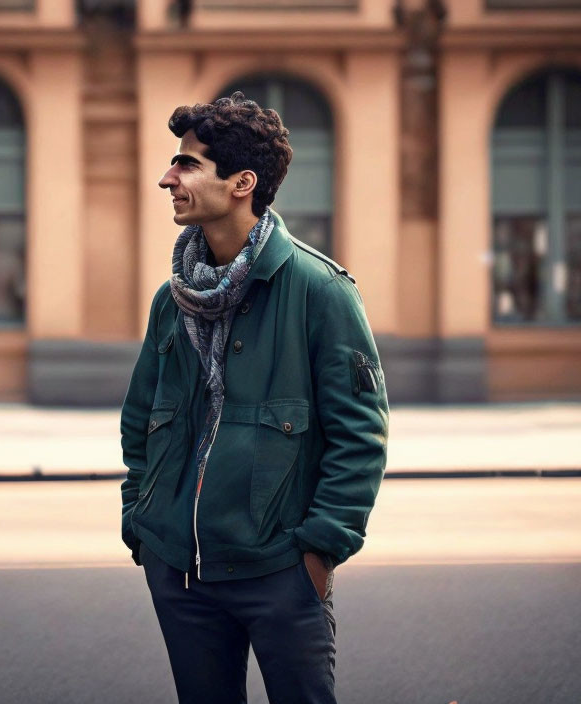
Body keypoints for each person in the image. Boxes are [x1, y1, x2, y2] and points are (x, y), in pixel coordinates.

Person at [120, 93, 389, 703]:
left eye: (187, 165)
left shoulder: (320, 290)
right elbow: (140, 418)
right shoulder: (174, 298)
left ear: (242, 183)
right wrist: (142, 518)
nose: (168, 178)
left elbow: (360, 435)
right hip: (180, 569)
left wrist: (319, 549)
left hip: (279, 571)